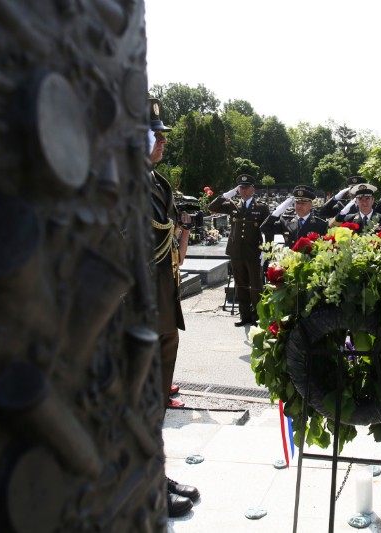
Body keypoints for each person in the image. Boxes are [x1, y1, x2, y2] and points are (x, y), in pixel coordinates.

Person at [147, 98, 201, 518]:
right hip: (136, 310)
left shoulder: (157, 183)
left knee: (156, 395)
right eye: (156, 133)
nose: (163, 140)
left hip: (161, 304)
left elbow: (170, 249)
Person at [209, 174, 270, 327]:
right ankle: (245, 316)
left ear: (253, 189)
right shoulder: (232, 205)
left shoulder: (261, 207)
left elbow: (268, 230)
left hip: (254, 251)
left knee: (256, 286)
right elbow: (212, 208)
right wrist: (227, 194)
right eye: (240, 187)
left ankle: (257, 316)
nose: (242, 190)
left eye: (246, 187)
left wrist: (267, 250)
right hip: (236, 252)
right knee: (241, 285)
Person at [260, 184, 329, 247]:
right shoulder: (286, 221)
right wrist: (277, 212)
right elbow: (265, 228)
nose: (299, 206)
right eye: (297, 202)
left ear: (311, 205)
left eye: (303, 203)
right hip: (290, 259)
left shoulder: (321, 224)